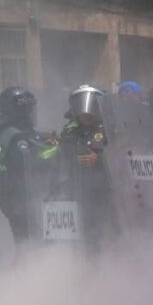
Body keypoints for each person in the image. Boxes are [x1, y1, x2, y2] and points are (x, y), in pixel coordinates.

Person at [0, 86, 56, 246]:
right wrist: (55, 149)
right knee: (30, 243)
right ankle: (25, 270)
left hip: (15, 198)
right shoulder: (15, 137)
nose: (32, 112)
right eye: (28, 109)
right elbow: (32, 160)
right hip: (22, 199)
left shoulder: (6, 132)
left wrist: (44, 139)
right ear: (18, 110)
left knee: (26, 242)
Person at [56, 84, 118, 252]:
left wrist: (99, 158)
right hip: (78, 189)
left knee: (110, 230)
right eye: (81, 105)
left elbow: (119, 153)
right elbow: (62, 154)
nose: (86, 111)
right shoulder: (70, 130)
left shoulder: (109, 129)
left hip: (105, 191)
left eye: (91, 104)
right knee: (85, 233)